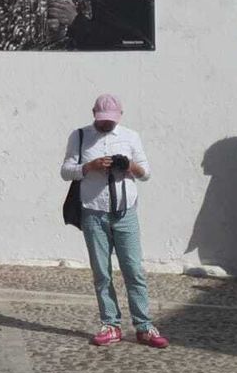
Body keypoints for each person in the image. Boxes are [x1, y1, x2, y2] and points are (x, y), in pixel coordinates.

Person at [61, 94, 167, 347]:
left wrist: (129, 166)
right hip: (93, 212)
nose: (106, 124)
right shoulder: (80, 136)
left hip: (125, 211)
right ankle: (110, 324)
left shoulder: (131, 136)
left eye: (111, 120)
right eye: (102, 120)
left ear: (120, 115)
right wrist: (89, 166)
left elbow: (146, 173)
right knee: (101, 272)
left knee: (134, 269)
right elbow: (65, 171)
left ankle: (144, 325)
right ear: (93, 114)